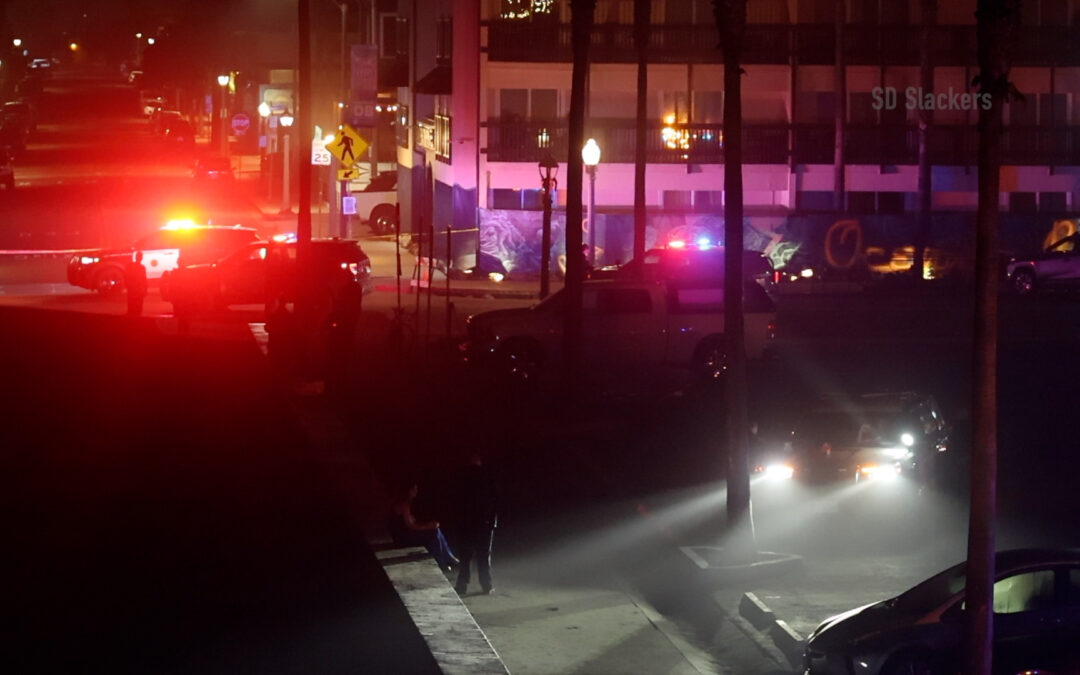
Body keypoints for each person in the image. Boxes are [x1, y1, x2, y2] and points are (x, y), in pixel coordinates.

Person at [389, 482, 458, 571]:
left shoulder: (407, 504)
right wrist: (427, 527)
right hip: (403, 539)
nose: (416, 491)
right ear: (409, 491)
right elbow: (410, 526)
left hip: (407, 534)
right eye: (414, 489)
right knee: (433, 533)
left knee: (436, 530)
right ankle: (441, 562)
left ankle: (448, 557)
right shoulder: (404, 505)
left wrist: (429, 525)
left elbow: (413, 522)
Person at [455, 453, 498, 596]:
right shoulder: (487, 477)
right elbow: (495, 500)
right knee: (484, 555)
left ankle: (462, 585)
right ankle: (486, 585)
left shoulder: (460, 478)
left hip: (466, 522)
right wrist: (493, 521)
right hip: (484, 522)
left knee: (465, 556)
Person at [124, 251, 147, 317]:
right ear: (141, 258)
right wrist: (145, 289)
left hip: (132, 288)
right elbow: (144, 279)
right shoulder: (142, 267)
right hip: (138, 289)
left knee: (131, 306)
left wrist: (127, 285)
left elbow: (126, 276)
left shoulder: (130, 266)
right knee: (138, 307)